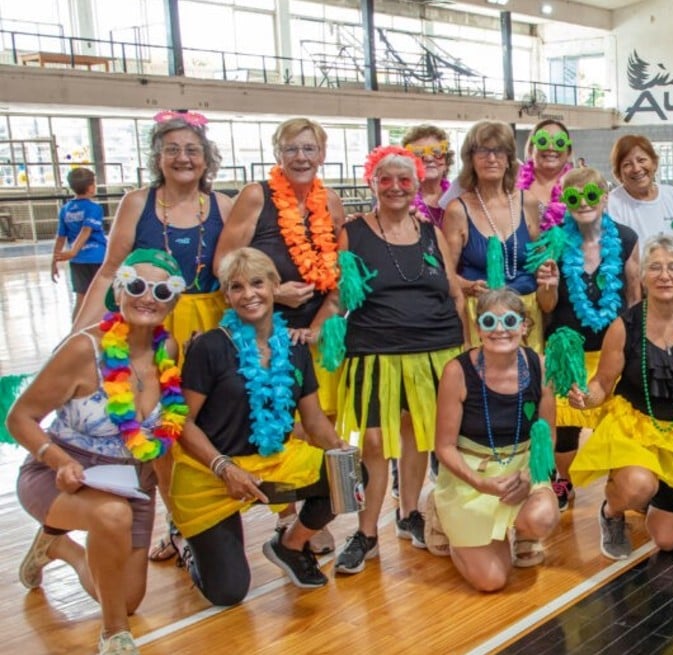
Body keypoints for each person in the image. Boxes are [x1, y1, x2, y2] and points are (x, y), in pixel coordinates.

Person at [9, 249, 185, 655]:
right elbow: (19, 418)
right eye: (137, 286)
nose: (148, 298)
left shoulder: (168, 350)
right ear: (119, 290)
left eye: (161, 290)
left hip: (132, 479)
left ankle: (56, 546)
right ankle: (114, 633)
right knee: (112, 514)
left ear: (173, 300)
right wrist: (59, 460)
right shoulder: (82, 350)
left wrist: (177, 511)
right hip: (61, 475)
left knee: (127, 597)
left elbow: (162, 434)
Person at [172, 247, 351, 603]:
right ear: (227, 296)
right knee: (228, 592)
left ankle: (290, 545)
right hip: (211, 473)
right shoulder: (209, 347)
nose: (249, 294)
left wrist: (345, 457)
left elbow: (314, 421)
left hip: (274, 461)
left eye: (257, 283)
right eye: (237, 287)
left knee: (346, 473)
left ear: (274, 286)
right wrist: (224, 467)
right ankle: (188, 543)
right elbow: (181, 422)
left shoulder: (294, 347)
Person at [332, 146, 468, 573]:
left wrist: (465, 351)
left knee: (417, 435)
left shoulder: (431, 232)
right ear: (371, 182)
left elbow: (452, 288)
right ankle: (366, 531)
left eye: (404, 180)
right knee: (372, 441)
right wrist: (319, 330)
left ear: (415, 185)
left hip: (436, 348)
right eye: (385, 179)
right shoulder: (352, 233)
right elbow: (338, 296)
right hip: (375, 351)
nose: (395, 187)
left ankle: (408, 512)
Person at [215, 117, 346, 556]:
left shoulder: (332, 201)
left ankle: (310, 515)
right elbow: (225, 265)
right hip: (265, 329)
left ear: (322, 154)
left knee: (319, 422)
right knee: (274, 423)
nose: (301, 157)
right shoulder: (257, 196)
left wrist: (320, 322)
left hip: (316, 332)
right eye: (291, 149)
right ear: (278, 155)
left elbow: (341, 277)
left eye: (309, 148)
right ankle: (286, 517)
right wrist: (272, 295)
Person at [568, 235, 673, 559]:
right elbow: (602, 383)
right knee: (639, 484)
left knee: (667, 541)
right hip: (634, 430)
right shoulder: (624, 326)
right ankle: (613, 511)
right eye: (655, 268)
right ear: (642, 276)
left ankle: (650, 496)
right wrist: (586, 398)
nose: (664, 276)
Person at [429, 288, 560, 591]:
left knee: (542, 517)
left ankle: (520, 530)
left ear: (524, 326)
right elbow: (444, 447)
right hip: (472, 474)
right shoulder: (456, 372)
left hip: (524, 464)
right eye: (489, 322)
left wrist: (531, 476)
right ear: (478, 329)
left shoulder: (540, 366)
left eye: (509, 321)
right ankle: (442, 516)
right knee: (491, 582)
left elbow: (548, 434)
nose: (499, 329)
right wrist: (479, 483)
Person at [73, 110, 231, 351]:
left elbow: (237, 274)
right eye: (172, 150)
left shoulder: (223, 205)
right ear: (158, 159)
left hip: (210, 324)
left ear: (207, 159)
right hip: (148, 320)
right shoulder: (136, 203)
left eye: (192, 150)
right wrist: (76, 335)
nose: (182, 158)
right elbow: (109, 273)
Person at [535, 167, 640, 512]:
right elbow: (546, 306)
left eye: (591, 195)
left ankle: (620, 486)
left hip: (613, 350)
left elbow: (635, 295)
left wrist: (637, 341)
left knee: (616, 422)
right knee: (565, 425)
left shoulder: (625, 238)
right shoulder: (555, 241)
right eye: (574, 197)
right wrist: (547, 286)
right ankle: (563, 482)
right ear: (564, 202)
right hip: (567, 349)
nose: (583, 203)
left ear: (605, 198)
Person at [441, 120, 543, 350]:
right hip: (482, 316)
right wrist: (467, 285)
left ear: (509, 159)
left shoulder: (528, 202)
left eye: (499, 151)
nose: (491, 158)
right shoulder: (458, 210)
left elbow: (538, 264)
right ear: (471, 160)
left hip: (526, 313)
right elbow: (444, 275)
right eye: (482, 151)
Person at [606, 134, 673, 244]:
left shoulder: (672, 194)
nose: (636, 169)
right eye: (627, 164)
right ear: (618, 173)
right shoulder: (612, 203)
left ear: (654, 163)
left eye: (641, 160)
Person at [52, 167, 107, 317]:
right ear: (90, 187)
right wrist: (72, 251)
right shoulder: (94, 208)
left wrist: (54, 262)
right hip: (97, 258)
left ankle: (75, 333)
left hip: (78, 261)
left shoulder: (65, 209)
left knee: (81, 298)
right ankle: (103, 331)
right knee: (103, 297)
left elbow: (60, 237)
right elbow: (86, 230)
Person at [519, 119, 574, 238]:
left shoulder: (579, 185)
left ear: (568, 152)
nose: (550, 147)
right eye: (542, 141)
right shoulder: (512, 185)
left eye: (559, 142)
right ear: (530, 149)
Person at [402, 124, 454, 229]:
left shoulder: (459, 195)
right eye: (418, 153)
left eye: (437, 152)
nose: (429, 158)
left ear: (446, 160)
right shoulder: (399, 199)